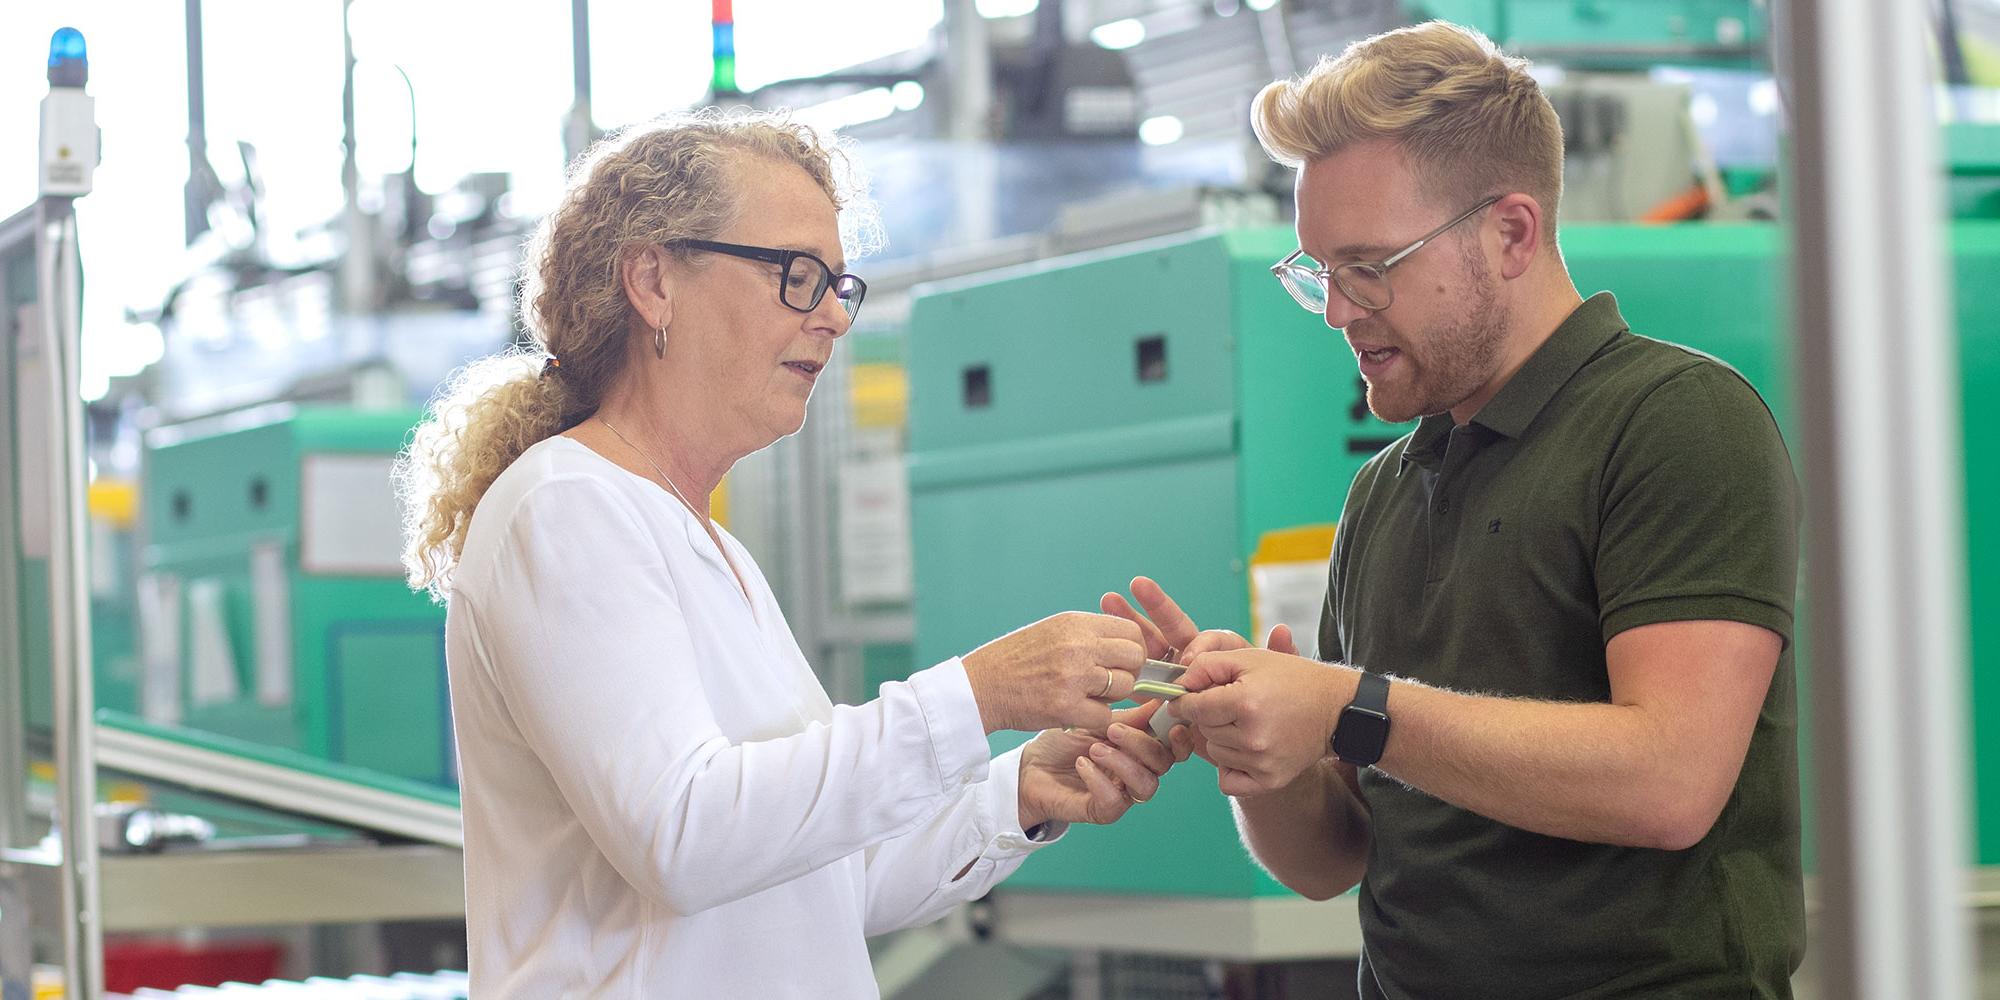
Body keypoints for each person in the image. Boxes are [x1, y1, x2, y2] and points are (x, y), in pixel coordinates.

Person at [395, 109, 1173, 997]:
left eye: (842, 284)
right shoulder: (568, 508)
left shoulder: (703, 542)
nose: (835, 317)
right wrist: (977, 692)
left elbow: (820, 874)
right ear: (654, 281)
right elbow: (687, 838)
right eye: (798, 276)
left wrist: (1022, 789)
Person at [1107, 21, 1803, 1000]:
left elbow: (1667, 781)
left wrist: (1347, 706)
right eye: (1315, 274)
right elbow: (1332, 857)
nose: (1339, 310)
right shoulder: (1384, 488)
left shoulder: (1676, 422)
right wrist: (1257, 745)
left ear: (1509, 233)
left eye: (1368, 266)